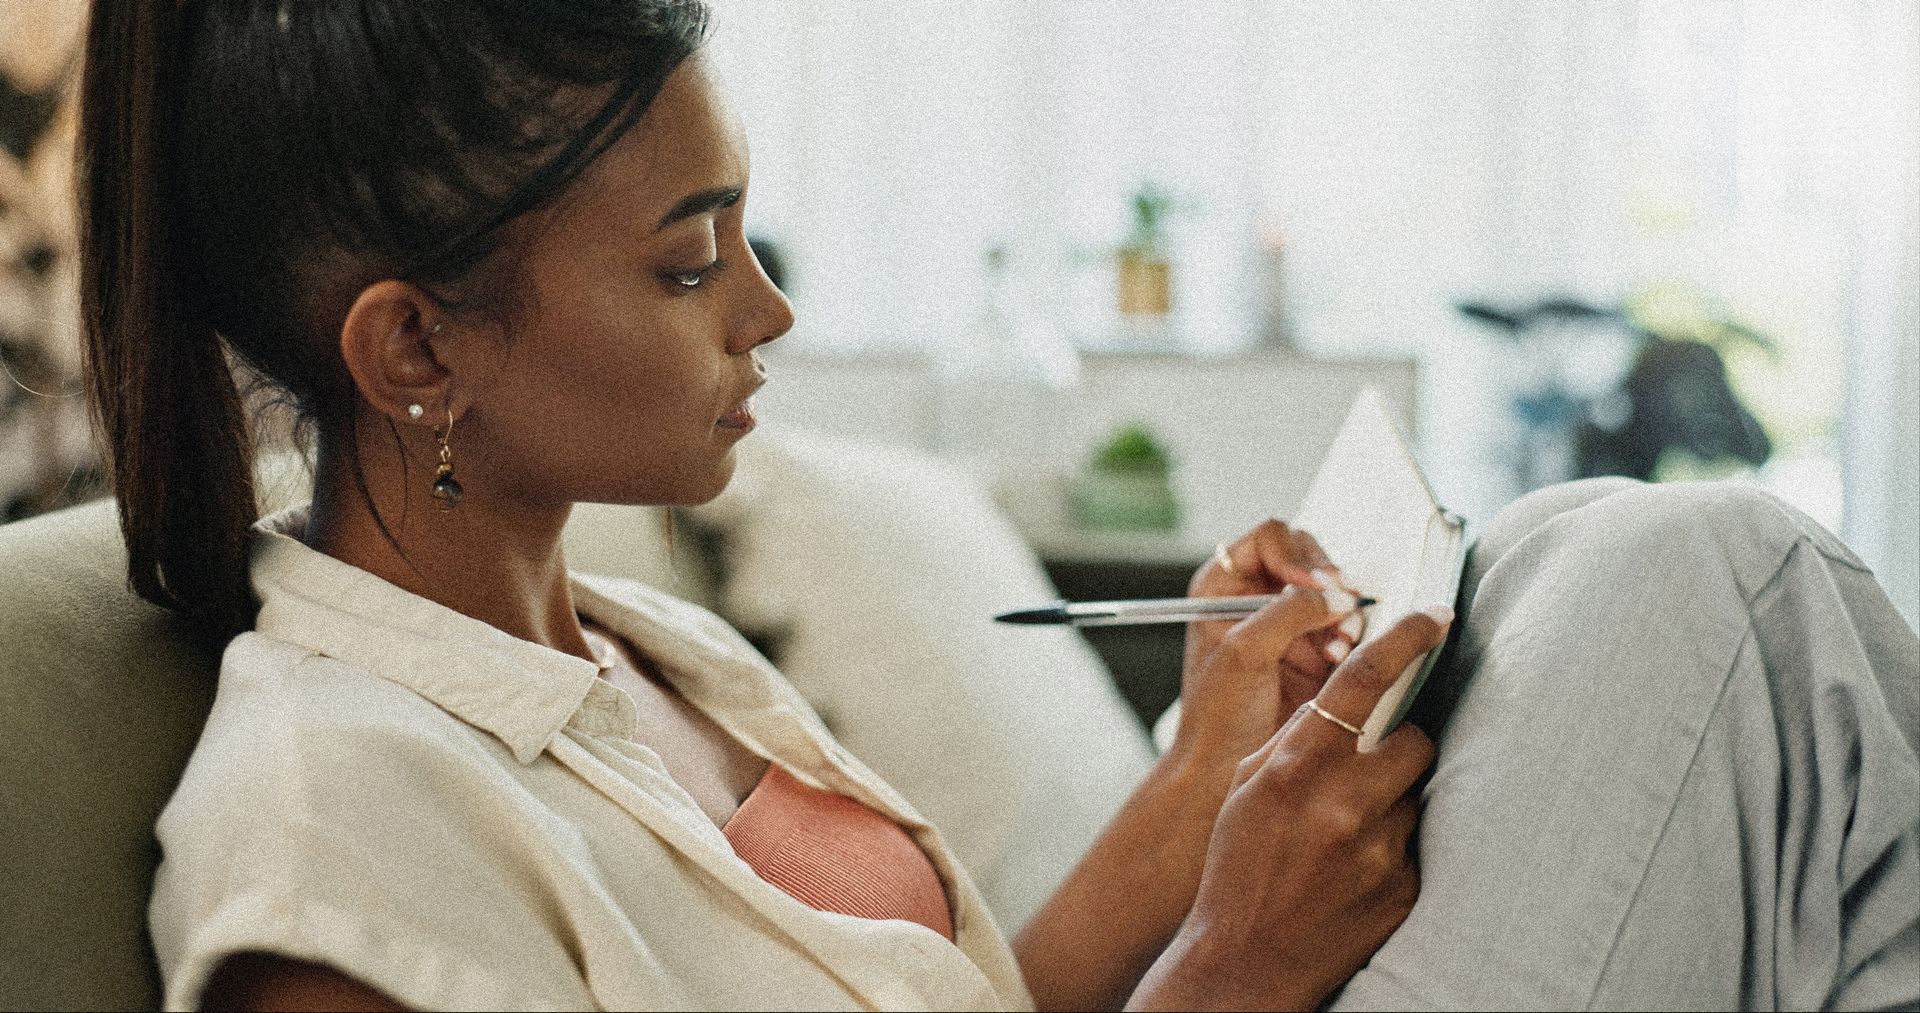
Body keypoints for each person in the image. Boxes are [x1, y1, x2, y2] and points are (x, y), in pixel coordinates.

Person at [74, 2, 1916, 1010]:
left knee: (1586, 563)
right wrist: (1227, 969)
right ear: (414, 346)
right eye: (689, 262)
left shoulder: (643, 651)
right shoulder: (332, 842)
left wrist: (1203, 776)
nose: (767, 312)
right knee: (1719, 586)